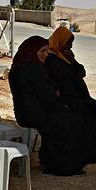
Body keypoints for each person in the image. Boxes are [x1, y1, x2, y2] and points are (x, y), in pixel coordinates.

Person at [9, 36, 88, 176]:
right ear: (33, 51)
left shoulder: (22, 66)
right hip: (35, 114)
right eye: (43, 51)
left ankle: (51, 160)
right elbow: (47, 94)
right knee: (73, 123)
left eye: (47, 50)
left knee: (71, 119)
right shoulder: (31, 69)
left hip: (29, 111)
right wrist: (60, 104)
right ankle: (61, 165)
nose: (46, 54)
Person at [45, 26, 96, 162]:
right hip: (66, 98)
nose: (70, 46)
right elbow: (66, 77)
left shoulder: (66, 57)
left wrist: (72, 62)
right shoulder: (52, 59)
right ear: (60, 42)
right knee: (86, 111)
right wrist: (72, 67)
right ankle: (90, 149)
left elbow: (82, 72)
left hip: (78, 96)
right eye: (68, 43)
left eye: (71, 43)